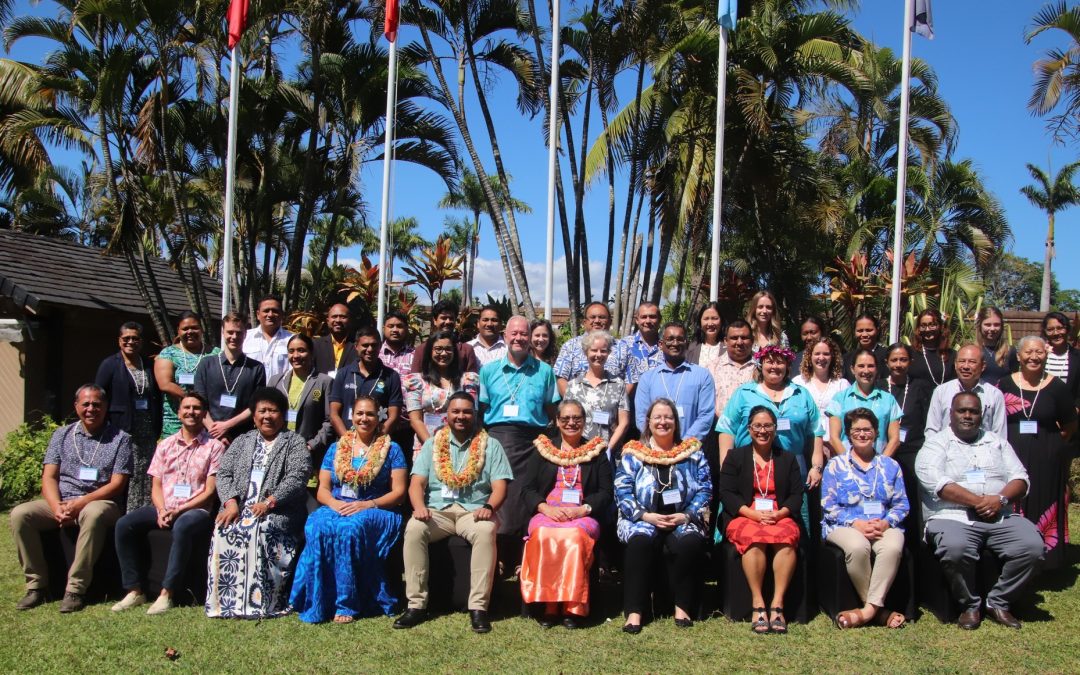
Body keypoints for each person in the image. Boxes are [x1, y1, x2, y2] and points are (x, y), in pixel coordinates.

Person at [916, 392, 1045, 630]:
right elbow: (937, 484)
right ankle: (970, 604)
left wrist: (1001, 499)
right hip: (952, 516)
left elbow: (1021, 478)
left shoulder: (996, 442)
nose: (967, 416)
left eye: (973, 411)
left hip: (1000, 515)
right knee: (955, 548)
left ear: (981, 414)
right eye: (962, 411)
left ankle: (998, 601)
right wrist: (979, 502)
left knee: (1032, 546)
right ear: (950, 414)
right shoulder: (936, 444)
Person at [394, 393, 513, 634]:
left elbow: (500, 486)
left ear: (475, 415)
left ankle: (478, 608)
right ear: (446, 415)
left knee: (486, 529)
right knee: (414, 529)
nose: (461, 416)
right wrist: (418, 507)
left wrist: (488, 508)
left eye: (467, 412)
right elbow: (416, 483)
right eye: (456, 411)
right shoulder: (432, 444)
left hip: (473, 512)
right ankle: (416, 605)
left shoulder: (490, 444)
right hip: (437, 512)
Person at [10, 385, 133, 613]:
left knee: (93, 514)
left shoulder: (121, 439)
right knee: (20, 514)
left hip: (101, 501)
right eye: (85, 404)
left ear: (105, 407)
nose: (91, 409)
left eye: (97, 404)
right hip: (62, 500)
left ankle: (75, 589)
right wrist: (57, 506)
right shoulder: (61, 435)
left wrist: (81, 503)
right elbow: (49, 476)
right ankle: (37, 586)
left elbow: (117, 484)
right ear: (76, 406)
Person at [289, 396, 408, 623]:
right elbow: (323, 489)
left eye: (370, 414)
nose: (364, 419)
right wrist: (335, 504)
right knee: (316, 525)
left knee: (350, 529)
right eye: (360, 414)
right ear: (352, 417)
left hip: (377, 507)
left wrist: (367, 504)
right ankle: (316, 599)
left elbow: (399, 493)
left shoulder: (392, 449)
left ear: (378, 417)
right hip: (338, 504)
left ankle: (347, 603)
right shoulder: (337, 447)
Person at [111, 393, 225, 615]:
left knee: (182, 526)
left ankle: (167, 593)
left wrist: (179, 510)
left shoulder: (215, 447)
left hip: (196, 510)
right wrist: (162, 509)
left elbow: (210, 492)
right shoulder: (165, 445)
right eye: (187, 408)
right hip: (164, 506)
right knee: (124, 524)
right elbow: (156, 486)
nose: (191, 412)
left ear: (204, 414)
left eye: (196, 408)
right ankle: (134, 590)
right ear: (179, 412)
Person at [205, 387, 310, 618]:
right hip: (241, 508)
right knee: (223, 528)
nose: (267, 416)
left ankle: (262, 603)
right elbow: (224, 474)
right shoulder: (242, 441)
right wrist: (230, 503)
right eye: (262, 411)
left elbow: (298, 476)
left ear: (283, 416)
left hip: (279, 511)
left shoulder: (294, 442)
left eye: (273, 411)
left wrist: (270, 502)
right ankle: (227, 603)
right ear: (253, 416)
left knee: (259, 528)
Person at [615, 398, 711, 634]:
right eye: (657, 417)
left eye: (668, 417)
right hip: (642, 518)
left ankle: (682, 606)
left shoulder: (692, 452)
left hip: (682, 517)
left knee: (689, 543)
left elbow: (705, 488)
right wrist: (645, 516)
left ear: (676, 422)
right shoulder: (633, 453)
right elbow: (622, 489)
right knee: (639, 543)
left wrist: (686, 515)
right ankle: (635, 611)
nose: (663, 422)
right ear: (648, 422)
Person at [520, 400, 613, 628]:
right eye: (565, 419)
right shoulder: (543, 449)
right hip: (548, 511)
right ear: (557, 422)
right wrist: (546, 509)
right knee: (543, 534)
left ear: (584, 421)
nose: (571, 423)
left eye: (577, 419)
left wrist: (582, 509)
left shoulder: (596, 451)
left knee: (572, 538)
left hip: (582, 513)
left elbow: (606, 491)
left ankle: (573, 606)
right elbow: (527, 489)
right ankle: (550, 605)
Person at [717, 346, 823, 533]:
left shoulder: (801, 394)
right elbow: (726, 428)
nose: (775, 366)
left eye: (780, 361)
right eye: (770, 361)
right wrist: (727, 467)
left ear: (788, 365)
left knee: (795, 528)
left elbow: (815, 431)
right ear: (761, 364)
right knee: (747, 525)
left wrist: (816, 466)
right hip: (749, 467)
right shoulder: (744, 393)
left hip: (793, 469)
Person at [821, 408, 909, 629]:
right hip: (844, 525)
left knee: (892, 548)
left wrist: (886, 522)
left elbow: (901, 504)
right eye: (856, 430)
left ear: (876, 432)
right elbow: (828, 505)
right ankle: (879, 611)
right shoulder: (835, 465)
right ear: (849, 434)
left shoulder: (890, 466)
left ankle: (868, 610)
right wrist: (856, 523)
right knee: (858, 546)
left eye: (867, 430)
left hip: (882, 524)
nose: (862, 434)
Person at [718, 406, 802, 635]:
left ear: (775, 429)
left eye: (767, 426)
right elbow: (726, 492)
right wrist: (752, 514)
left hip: (778, 515)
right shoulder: (735, 457)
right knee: (753, 539)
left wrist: (780, 514)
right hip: (744, 514)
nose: (762, 430)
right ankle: (758, 604)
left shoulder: (787, 458)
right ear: (749, 428)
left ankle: (777, 604)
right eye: (757, 425)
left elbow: (796, 495)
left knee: (786, 539)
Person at [478, 316, 559, 547]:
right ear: (505, 336)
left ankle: (525, 546)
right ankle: (499, 547)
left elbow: (551, 407)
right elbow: (482, 408)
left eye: (524, 334)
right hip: (499, 437)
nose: (519, 338)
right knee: (501, 491)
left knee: (529, 491)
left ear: (530, 338)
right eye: (514, 333)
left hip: (534, 439)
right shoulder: (489, 371)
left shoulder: (544, 371)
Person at [998, 336, 1077, 570]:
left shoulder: (1057, 387)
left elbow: (1070, 424)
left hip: (1048, 457)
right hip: (1011, 456)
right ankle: (1011, 554)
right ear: (1019, 356)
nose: (1034, 357)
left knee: (1044, 500)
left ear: (1046, 355)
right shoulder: (1004, 384)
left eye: (1039, 352)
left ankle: (1046, 560)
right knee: (1014, 502)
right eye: (1028, 352)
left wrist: (1050, 446)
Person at [95, 321, 161, 511]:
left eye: (135, 338)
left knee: (146, 473)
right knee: (125, 473)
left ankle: (144, 511)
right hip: (121, 431)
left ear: (141, 341)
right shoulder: (110, 365)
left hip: (147, 432)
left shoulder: (148, 364)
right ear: (119, 341)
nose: (131, 341)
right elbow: (99, 395)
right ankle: (123, 514)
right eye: (126, 338)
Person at [877, 343, 934, 550]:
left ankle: (914, 549)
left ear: (910, 362)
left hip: (913, 453)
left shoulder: (921, 386)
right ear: (886, 362)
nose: (898, 364)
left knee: (910, 501)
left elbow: (928, 421)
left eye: (903, 360)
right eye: (894, 360)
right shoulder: (879, 387)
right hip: (885, 452)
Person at [633, 322, 716, 441]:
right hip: (655, 451)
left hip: (690, 451)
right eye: (670, 339)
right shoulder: (647, 378)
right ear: (661, 344)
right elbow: (642, 417)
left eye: (680, 339)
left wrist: (684, 445)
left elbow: (706, 416)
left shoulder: (703, 376)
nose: (675, 343)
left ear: (686, 343)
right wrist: (659, 443)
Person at [194, 312, 267, 442]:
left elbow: (255, 405)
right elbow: (200, 403)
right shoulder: (206, 364)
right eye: (230, 332)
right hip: (208, 437)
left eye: (239, 333)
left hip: (243, 437)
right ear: (223, 332)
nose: (234, 336)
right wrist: (216, 432)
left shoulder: (256, 368)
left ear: (245, 334)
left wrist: (227, 425)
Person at [404, 331, 481, 453]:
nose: (444, 353)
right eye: (438, 349)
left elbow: (473, 415)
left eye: (448, 349)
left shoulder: (468, 380)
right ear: (430, 352)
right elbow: (415, 419)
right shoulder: (416, 381)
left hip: (460, 445)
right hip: (426, 445)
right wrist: (432, 446)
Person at [269, 334, 335, 467]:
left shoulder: (324, 382)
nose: (296, 356)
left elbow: (330, 421)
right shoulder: (276, 381)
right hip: (277, 451)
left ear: (311, 353)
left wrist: (311, 445)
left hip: (308, 454)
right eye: (291, 351)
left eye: (301, 350)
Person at [154, 312, 219, 438]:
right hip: (175, 422)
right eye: (185, 328)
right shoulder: (168, 353)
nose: (190, 331)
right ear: (178, 331)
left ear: (202, 330)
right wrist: (193, 401)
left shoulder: (215, 353)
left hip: (207, 422)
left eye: (194, 327)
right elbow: (165, 384)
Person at [329, 326, 403, 437]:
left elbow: (394, 416)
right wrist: (347, 440)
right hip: (346, 443)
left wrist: (376, 442)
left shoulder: (391, 376)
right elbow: (334, 414)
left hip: (377, 443)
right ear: (356, 347)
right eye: (365, 345)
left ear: (380, 346)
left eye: (374, 345)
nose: (370, 349)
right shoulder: (343, 374)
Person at [826, 349, 902, 456]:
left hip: (878, 466)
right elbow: (834, 438)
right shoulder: (839, 399)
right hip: (847, 465)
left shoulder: (889, 400)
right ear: (853, 369)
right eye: (861, 366)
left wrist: (880, 464)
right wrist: (849, 464)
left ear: (876, 369)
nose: (866, 371)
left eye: (870, 366)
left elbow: (895, 440)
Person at [563, 330, 630, 450]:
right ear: (586, 352)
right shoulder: (573, 386)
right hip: (579, 452)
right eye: (594, 350)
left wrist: (609, 449)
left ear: (608, 353)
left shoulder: (618, 384)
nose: (598, 355)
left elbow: (624, 422)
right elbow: (566, 421)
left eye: (603, 351)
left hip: (608, 451)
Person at [925, 344, 1007, 438]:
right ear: (955, 364)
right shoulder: (941, 391)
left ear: (983, 366)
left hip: (982, 450)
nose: (966, 366)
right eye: (962, 361)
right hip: (947, 450)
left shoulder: (995, 395)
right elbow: (932, 430)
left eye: (972, 362)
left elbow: (999, 433)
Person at [554, 302, 630, 394]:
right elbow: (561, 378)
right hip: (577, 404)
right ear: (585, 322)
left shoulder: (623, 348)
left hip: (612, 406)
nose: (597, 321)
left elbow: (630, 380)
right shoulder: (570, 346)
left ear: (610, 321)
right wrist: (574, 402)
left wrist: (616, 401)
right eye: (593, 317)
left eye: (602, 317)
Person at [792, 336, 849, 455]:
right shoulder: (798, 383)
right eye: (817, 353)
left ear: (832, 357)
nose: (821, 358)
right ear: (809, 356)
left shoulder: (842, 385)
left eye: (826, 354)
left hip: (834, 447)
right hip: (805, 445)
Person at [411, 299, 479, 373]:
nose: (448, 322)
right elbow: (415, 378)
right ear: (434, 320)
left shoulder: (466, 350)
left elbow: (472, 381)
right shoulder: (422, 350)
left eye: (451, 318)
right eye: (443, 318)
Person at [708, 319, 756, 415]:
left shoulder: (762, 366)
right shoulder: (712, 368)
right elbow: (706, 403)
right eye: (734, 338)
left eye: (744, 337)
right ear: (725, 341)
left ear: (752, 340)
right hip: (719, 427)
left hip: (757, 428)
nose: (739, 342)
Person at [242, 295, 294, 381]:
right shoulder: (245, 337)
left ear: (281, 314)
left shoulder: (291, 340)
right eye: (266, 311)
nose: (270, 314)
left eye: (275, 311)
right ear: (258, 315)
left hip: (281, 393)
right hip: (250, 393)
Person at [620, 302, 664, 386]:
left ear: (660, 319)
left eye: (652, 317)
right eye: (644, 317)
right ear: (637, 320)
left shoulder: (667, 347)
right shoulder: (624, 345)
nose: (648, 321)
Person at [908, 309, 956, 385]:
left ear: (941, 327)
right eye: (923, 326)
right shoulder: (909, 353)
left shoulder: (952, 355)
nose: (927, 329)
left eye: (932, 325)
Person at [313, 303, 358, 377]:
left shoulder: (357, 345)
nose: (338, 320)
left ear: (349, 320)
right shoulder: (316, 345)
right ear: (327, 321)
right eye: (334, 317)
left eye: (343, 317)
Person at [841, 314, 888, 382]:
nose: (864, 335)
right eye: (860, 331)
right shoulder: (846, 359)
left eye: (869, 330)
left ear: (877, 330)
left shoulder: (887, 356)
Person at [974, 306, 1011, 386]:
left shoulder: (1010, 351)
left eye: (996, 325)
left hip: (1003, 396)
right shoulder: (972, 351)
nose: (992, 328)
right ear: (980, 325)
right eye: (987, 325)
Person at [686, 302, 724, 370]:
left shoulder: (728, 348)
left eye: (714, 318)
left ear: (721, 321)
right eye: (706, 319)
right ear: (700, 322)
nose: (710, 323)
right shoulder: (690, 348)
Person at [380, 309, 416, 378]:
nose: (395, 330)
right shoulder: (375, 353)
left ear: (406, 329)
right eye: (391, 326)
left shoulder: (415, 356)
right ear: (383, 329)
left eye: (399, 326)